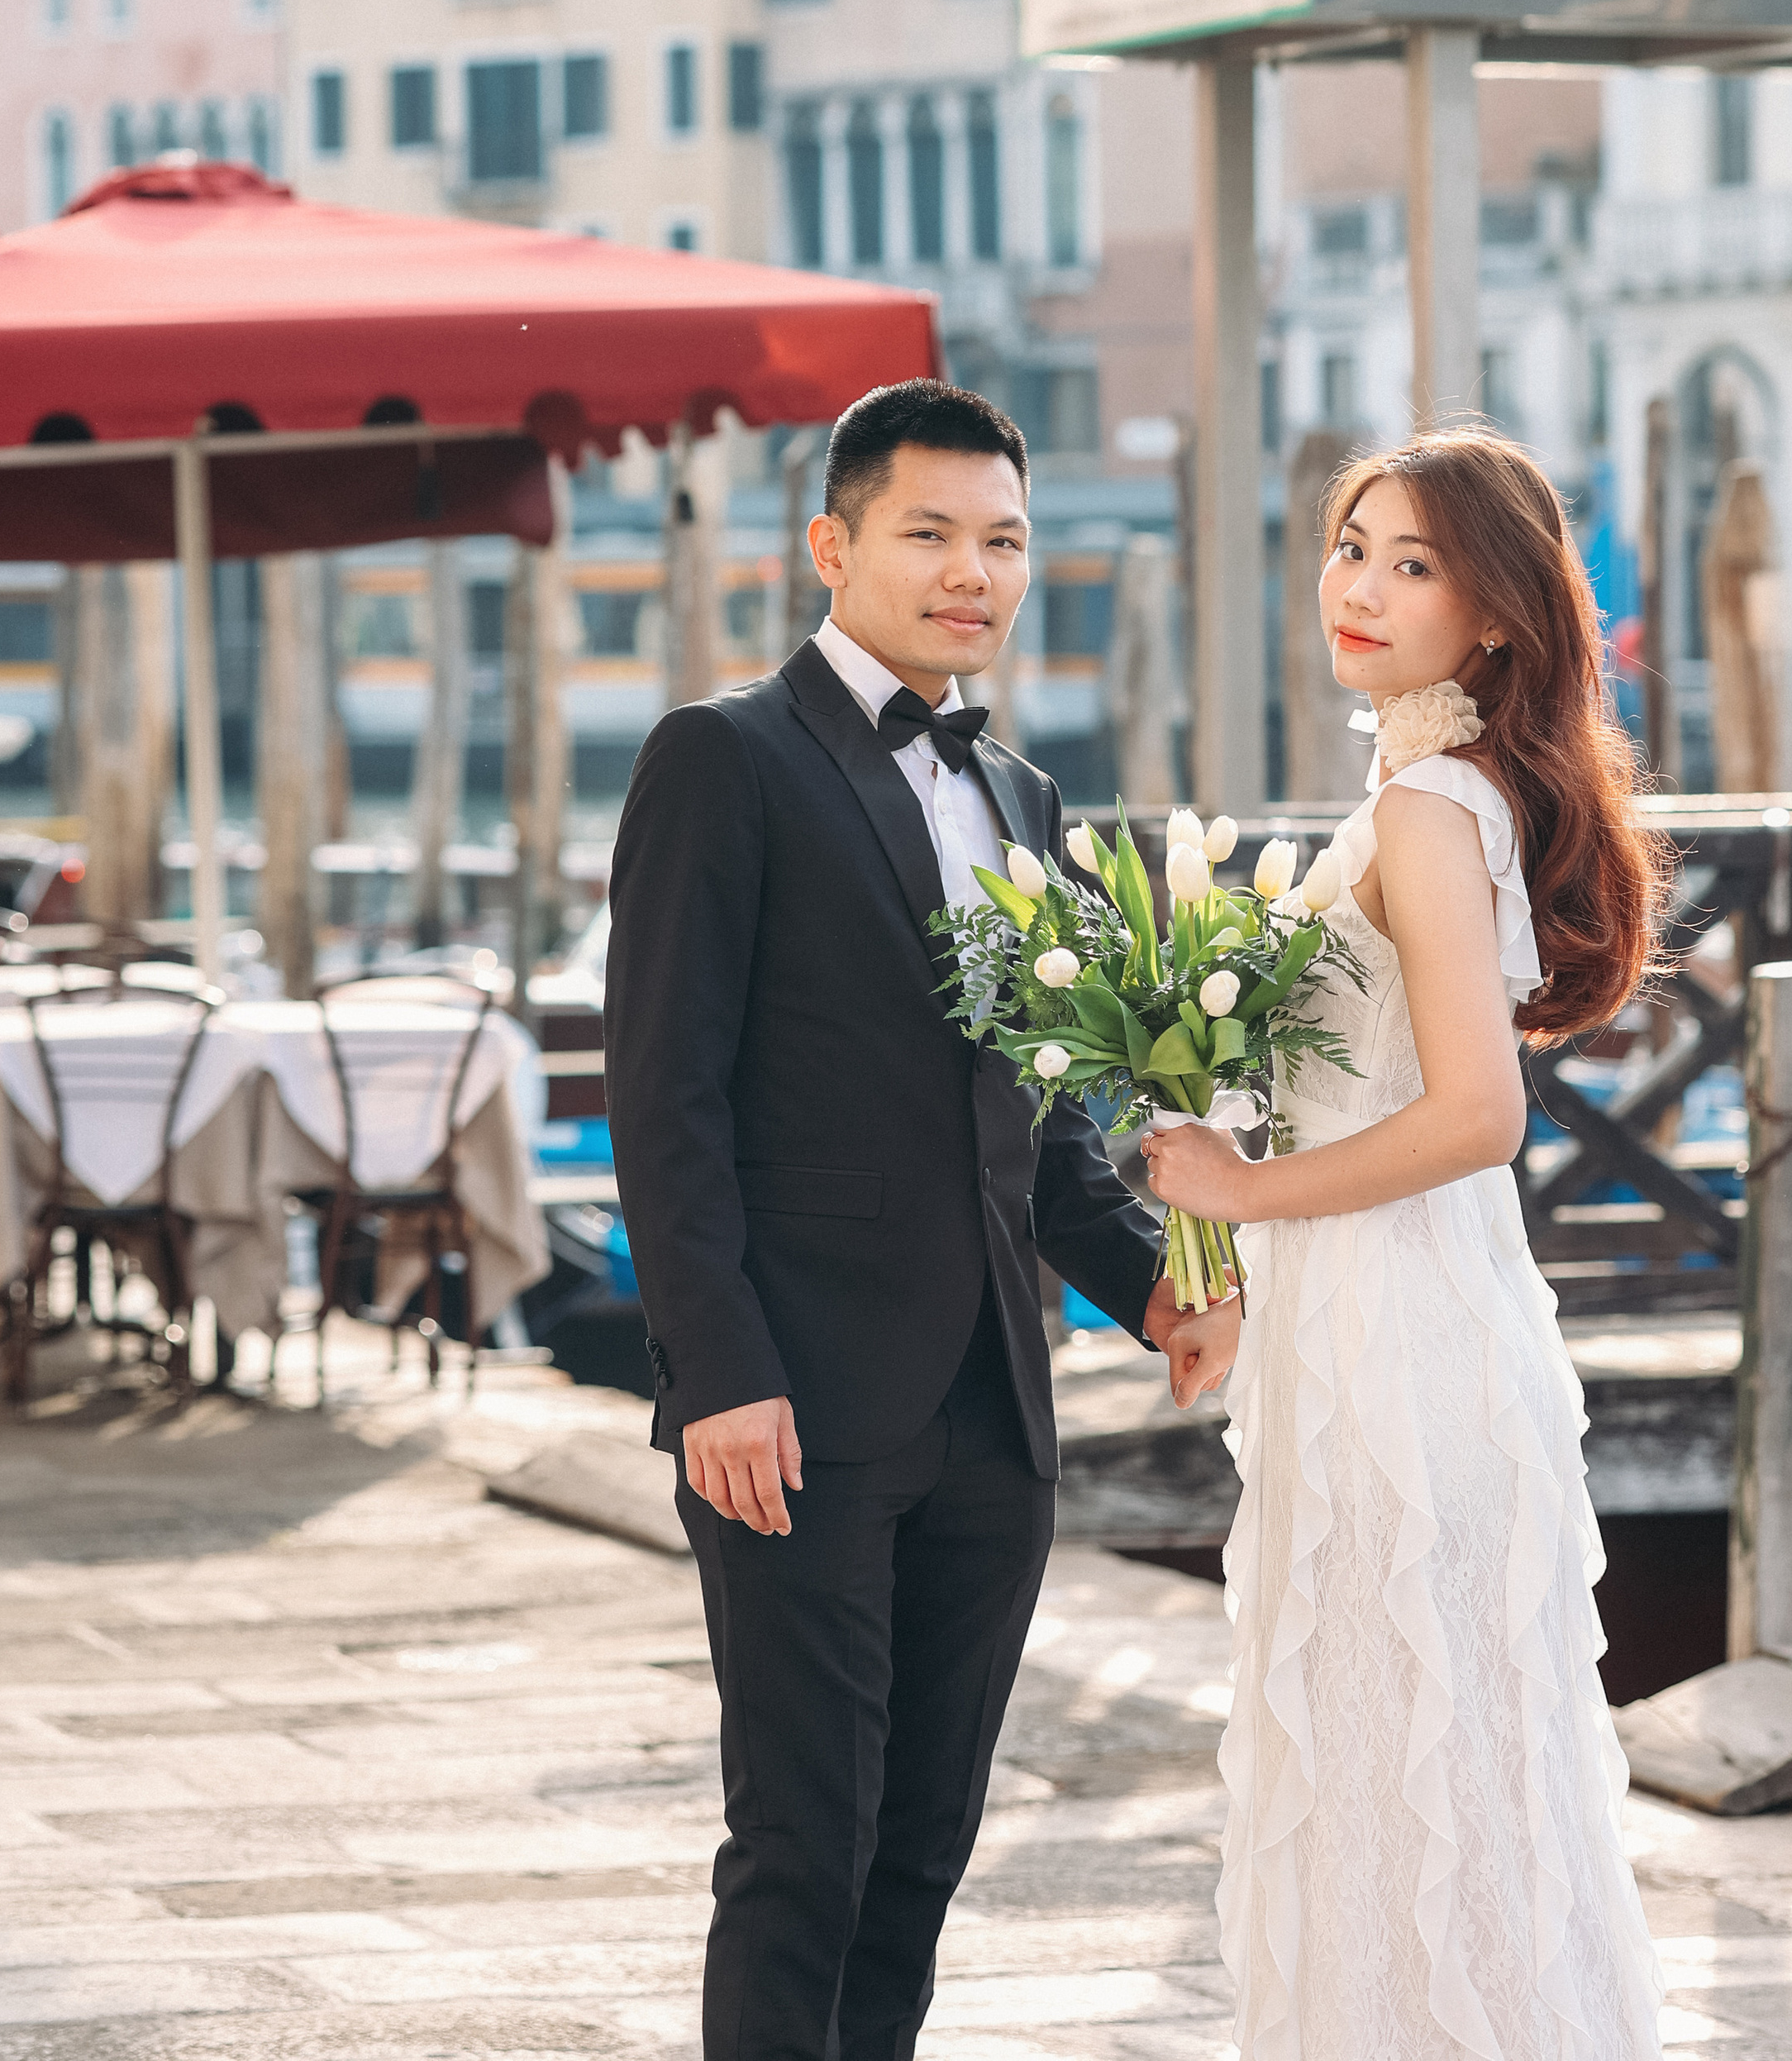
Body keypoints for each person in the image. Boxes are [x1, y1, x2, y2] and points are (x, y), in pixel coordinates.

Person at [606, 377, 1240, 2061]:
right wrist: (715, 1371)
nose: (971, 570)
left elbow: (1035, 1134)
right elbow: (660, 1102)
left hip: (991, 1415)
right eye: (929, 535)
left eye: (1003, 540)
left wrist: (1151, 1298)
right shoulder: (720, 761)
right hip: (792, 1407)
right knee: (801, 1848)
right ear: (832, 543)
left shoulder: (1028, 805)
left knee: (918, 1858)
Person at [1144, 429, 1668, 2059]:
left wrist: (1230, 1192)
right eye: (1350, 544)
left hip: (1403, 1346)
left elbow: (1473, 1115)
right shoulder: (1412, 791)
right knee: (1398, 1771)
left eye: (1413, 563)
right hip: (1363, 1327)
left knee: (1413, 1768)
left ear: (1497, 616)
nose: (1358, 587)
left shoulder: (1433, 809)